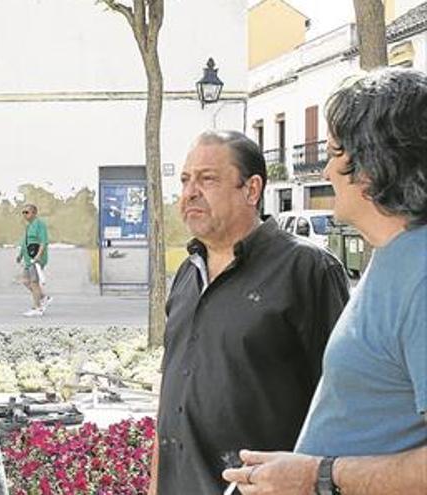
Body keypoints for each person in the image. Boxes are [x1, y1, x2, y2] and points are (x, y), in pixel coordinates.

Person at [222, 68, 427, 495]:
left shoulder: (422, 273)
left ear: (371, 166)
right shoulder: (394, 256)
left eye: (335, 153)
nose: (328, 171)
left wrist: (317, 475)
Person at [151, 130, 350, 494]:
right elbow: (171, 393)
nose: (190, 191)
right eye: (185, 180)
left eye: (207, 179)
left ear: (251, 189)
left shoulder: (307, 270)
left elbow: (346, 401)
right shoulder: (187, 273)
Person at [16, 204, 52, 316]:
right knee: (25, 280)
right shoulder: (29, 226)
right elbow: (24, 243)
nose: (24, 215)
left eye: (27, 212)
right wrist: (20, 255)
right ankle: (43, 297)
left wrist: (38, 256)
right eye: (23, 212)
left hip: (35, 259)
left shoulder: (39, 225)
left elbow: (43, 241)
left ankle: (37, 307)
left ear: (34, 213)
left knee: (34, 282)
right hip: (28, 260)